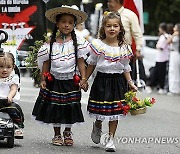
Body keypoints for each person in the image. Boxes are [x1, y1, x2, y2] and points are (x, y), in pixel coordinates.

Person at [32, 5, 89, 146]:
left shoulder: (78, 43)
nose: (66, 25)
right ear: (57, 24)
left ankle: (68, 132)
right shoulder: (50, 44)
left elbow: (81, 62)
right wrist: (43, 79)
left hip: (71, 81)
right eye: (63, 21)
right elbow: (46, 63)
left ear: (74, 25)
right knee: (55, 107)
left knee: (70, 106)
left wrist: (83, 78)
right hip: (54, 80)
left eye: (70, 22)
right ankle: (57, 134)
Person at [85, 12, 137, 152]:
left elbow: (126, 68)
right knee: (101, 111)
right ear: (103, 28)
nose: (112, 29)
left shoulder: (124, 48)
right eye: (109, 26)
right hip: (101, 80)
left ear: (120, 28)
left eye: (115, 26)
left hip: (118, 82)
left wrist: (130, 82)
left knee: (115, 112)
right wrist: (84, 79)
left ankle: (110, 139)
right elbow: (91, 64)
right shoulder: (98, 45)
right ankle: (97, 124)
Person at [107, 0, 146, 83]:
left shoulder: (130, 15)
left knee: (125, 82)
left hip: (125, 54)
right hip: (108, 54)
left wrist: (138, 49)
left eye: (110, 1)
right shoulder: (107, 16)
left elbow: (137, 34)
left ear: (117, 1)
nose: (108, 4)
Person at [0, 52, 24, 139]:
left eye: (8, 67)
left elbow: (14, 89)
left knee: (13, 109)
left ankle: (17, 126)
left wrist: (10, 96)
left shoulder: (13, 78)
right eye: (1, 67)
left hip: (7, 102)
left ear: (13, 67)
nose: (4, 70)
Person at [146, 23, 169, 94]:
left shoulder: (166, 36)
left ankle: (160, 87)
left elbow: (161, 47)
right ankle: (151, 85)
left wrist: (158, 46)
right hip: (159, 58)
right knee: (156, 72)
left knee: (161, 73)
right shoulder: (162, 36)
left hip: (163, 58)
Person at [167, 23, 180, 95]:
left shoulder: (176, 36)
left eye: (175, 27)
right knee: (173, 71)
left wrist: (173, 35)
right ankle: (173, 89)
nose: (173, 28)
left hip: (175, 54)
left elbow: (168, 41)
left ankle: (174, 89)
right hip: (174, 54)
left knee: (174, 72)